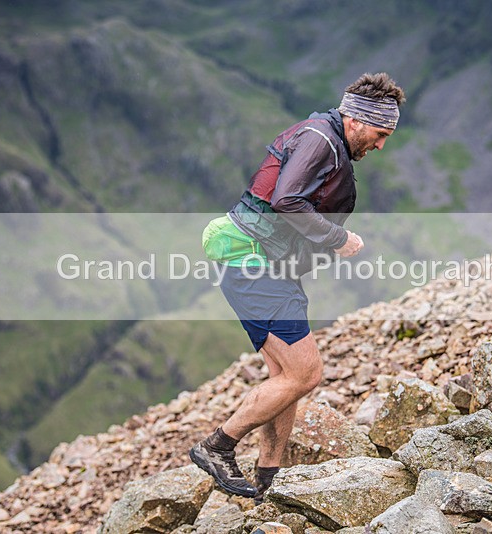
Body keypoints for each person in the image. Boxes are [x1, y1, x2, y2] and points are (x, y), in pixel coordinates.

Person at [190, 72, 406, 503]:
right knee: (307, 374)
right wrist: (337, 238)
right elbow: (287, 199)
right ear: (357, 121)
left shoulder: (325, 138)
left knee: (285, 375)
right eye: (380, 134)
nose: (381, 145)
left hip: (266, 269)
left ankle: (269, 473)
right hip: (256, 268)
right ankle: (217, 447)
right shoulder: (320, 141)